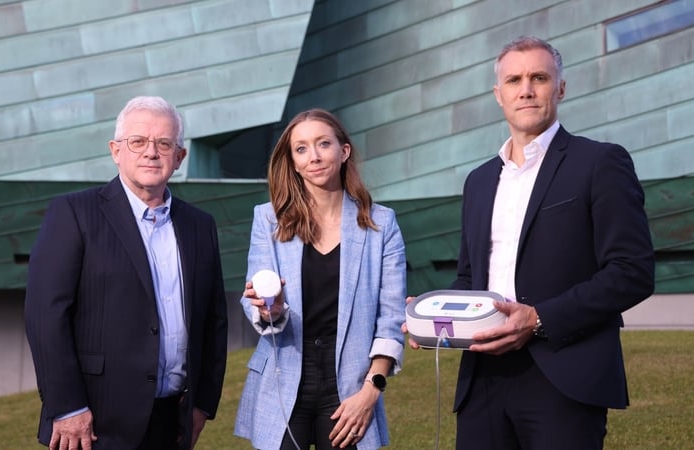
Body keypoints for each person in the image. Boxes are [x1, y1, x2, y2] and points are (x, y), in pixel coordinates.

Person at [405, 36, 655, 449]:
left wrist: (538, 319)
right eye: (514, 80)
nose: (526, 89)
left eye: (539, 77)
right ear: (497, 94)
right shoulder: (479, 180)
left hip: (564, 373)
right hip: (482, 378)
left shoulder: (600, 162)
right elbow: (471, 278)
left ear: (560, 87)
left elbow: (633, 272)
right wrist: (430, 319)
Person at [24, 96, 228, 450]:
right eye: (138, 141)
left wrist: (201, 406)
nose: (151, 152)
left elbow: (213, 321)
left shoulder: (200, 226)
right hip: (92, 424)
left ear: (179, 158)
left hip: (171, 423)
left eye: (164, 143)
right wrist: (67, 406)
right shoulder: (74, 213)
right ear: (115, 150)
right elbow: (45, 315)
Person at [234, 109, 407, 449]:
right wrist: (272, 309)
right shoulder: (268, 219)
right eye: (301, 149)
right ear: (293, 161)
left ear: (343, 152)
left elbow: (390, 319)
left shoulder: (380, 224)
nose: (313, 156)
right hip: (282, 381)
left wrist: (371, 391)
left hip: (350, 388)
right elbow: (253, 299)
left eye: (323, 144)